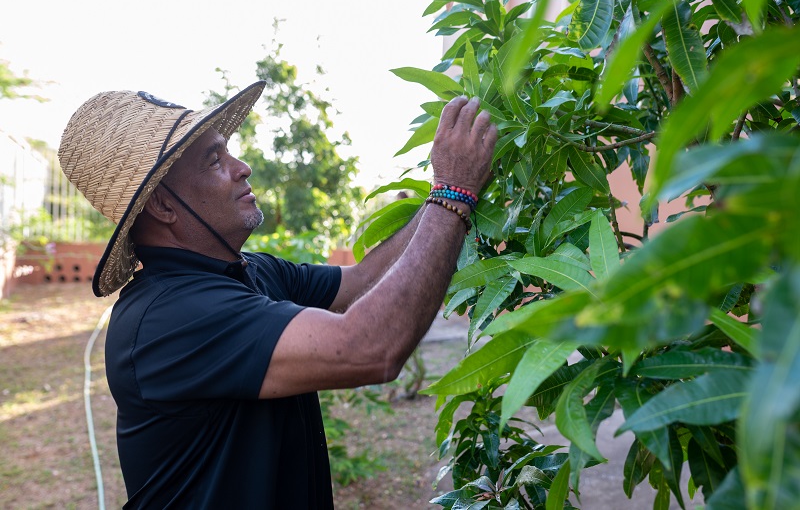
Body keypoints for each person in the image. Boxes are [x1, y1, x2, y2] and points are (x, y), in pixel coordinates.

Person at [57, 81, 496, 508]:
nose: (241, 166)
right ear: (164, 207)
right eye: (214, 160)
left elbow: (363, 281)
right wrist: (453, 192)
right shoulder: (169, 316)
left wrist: (453, 186)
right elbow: (369, 348)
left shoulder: (249, 272)